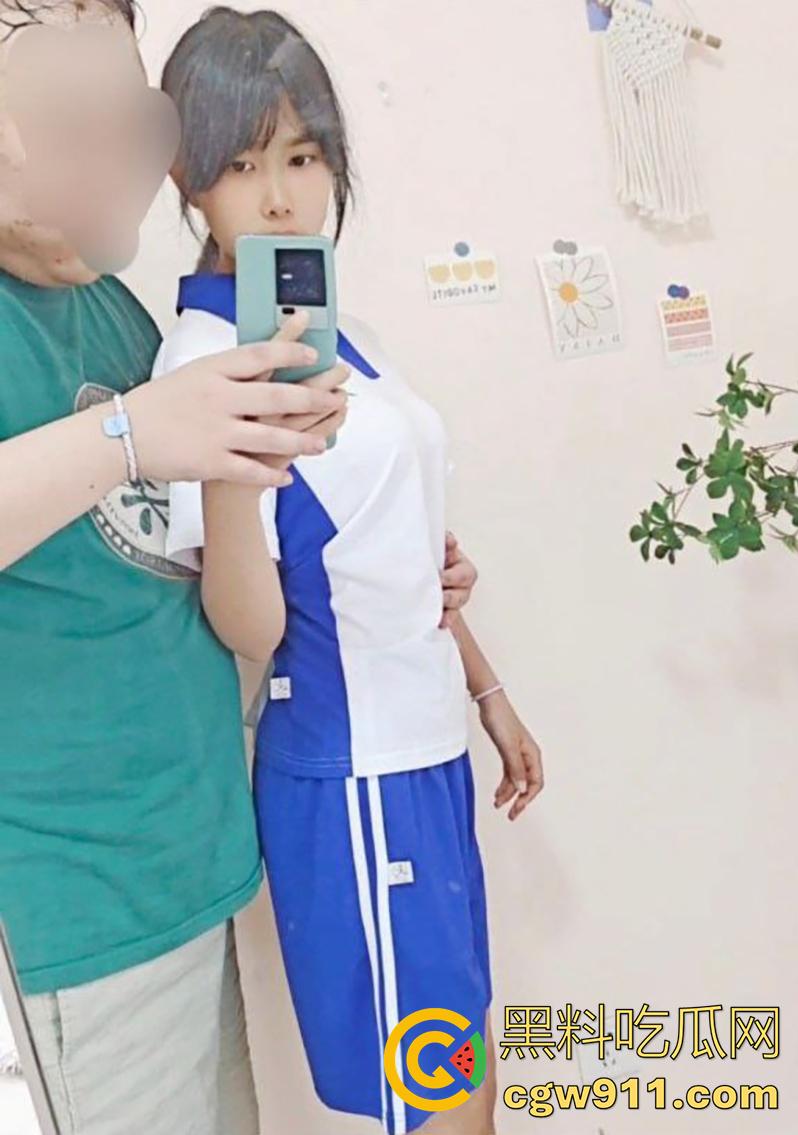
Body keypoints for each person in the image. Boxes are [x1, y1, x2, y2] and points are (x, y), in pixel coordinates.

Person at [159, 9, 545, 1135]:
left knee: (462, 1067)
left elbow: (400, 544)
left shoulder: (345, 334)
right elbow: (249, 627)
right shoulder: (201, 362)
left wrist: (486, 688)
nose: (280, 198)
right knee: (435, 1099)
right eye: (242, 165)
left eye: (301, 157)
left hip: (425, 749)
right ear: (187, 179)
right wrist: (239, 466)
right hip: (353, 772)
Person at [0, 3, 350, 1133]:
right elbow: (129, 450)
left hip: (193, 862)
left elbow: (172, 547)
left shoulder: (105, 302)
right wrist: (132, 434)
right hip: (77, 916)